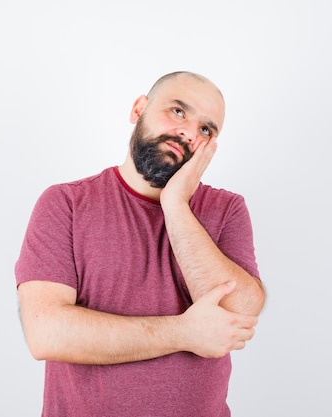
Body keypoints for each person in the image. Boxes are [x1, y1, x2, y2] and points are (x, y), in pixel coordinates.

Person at [14, 71, 266, 417]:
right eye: (178, 111)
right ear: (138, 109)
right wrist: (183, 333)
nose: (189, 132)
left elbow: (238, 314)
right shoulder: (65, 203)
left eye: (206, 129)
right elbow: (48, 332)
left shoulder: (227, 209)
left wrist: (176, 205)